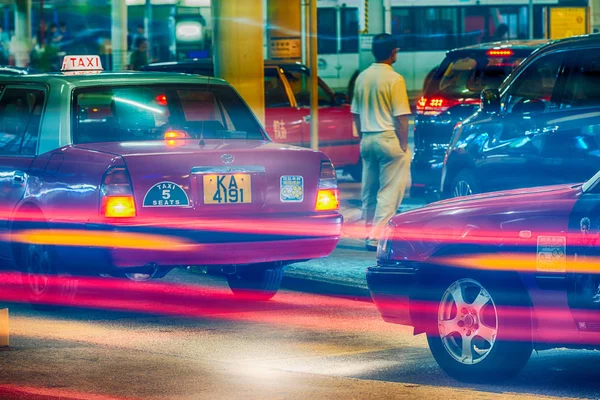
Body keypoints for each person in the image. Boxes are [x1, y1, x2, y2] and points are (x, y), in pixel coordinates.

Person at [351, 33, 411, 251]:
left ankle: (367, 231)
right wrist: (403, 146)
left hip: (367, 138)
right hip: (388, 138)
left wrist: (362, 136)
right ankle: (376, 238)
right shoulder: (394, 79)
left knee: (369, 189)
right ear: (393, 52)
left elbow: (355, 114)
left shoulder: (362, 77)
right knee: (389, 190)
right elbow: (401, 117)